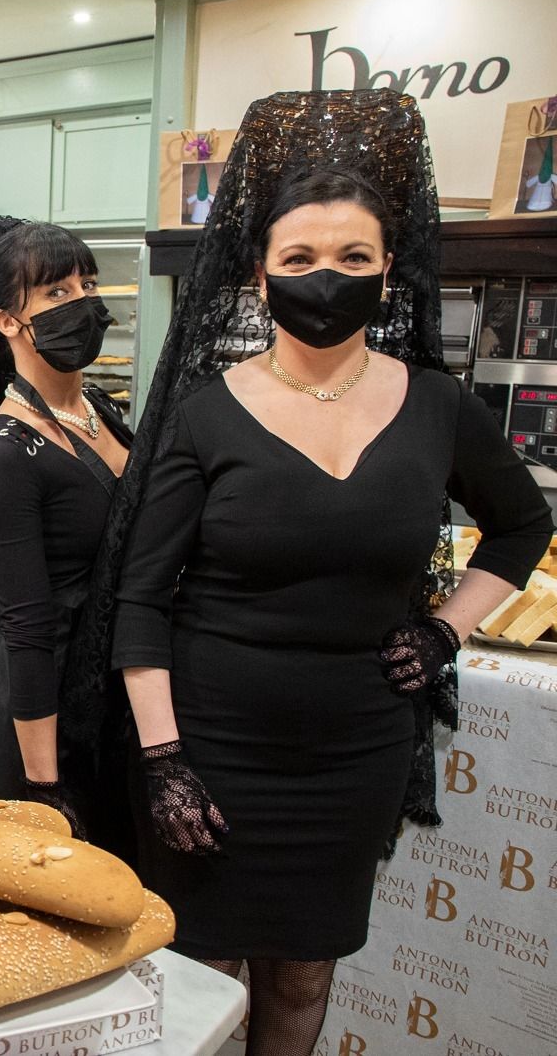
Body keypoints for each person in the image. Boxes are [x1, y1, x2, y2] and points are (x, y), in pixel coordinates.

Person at [106, 91, 554, 1056]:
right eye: (300, 259)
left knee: (307, 971)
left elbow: (522, 526)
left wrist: (445, 628)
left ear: (390, 272)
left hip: (355, 754)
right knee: (197, 974)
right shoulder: (205, 414)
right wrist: (163, 761)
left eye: (353, 258)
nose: (327, 277)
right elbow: (140, 599)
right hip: (211, 748)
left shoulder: (437, 406)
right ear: (260, 279)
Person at [0, 215, 132, 847]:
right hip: (32, 717)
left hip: (97, 697)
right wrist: (44, 784)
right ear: (6, 322)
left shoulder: (98, 408)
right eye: (56, 294)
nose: (82, 303)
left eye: (87, 285)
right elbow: (29, 626)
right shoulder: (3, 459)